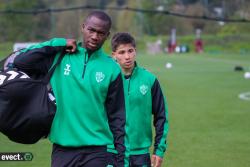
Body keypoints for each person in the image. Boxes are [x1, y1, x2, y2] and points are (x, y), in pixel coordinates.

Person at [13, 11, 126, 167]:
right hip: (62, 149)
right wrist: (57, 43)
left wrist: (120, 158)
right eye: (91, 30)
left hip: (97, 151)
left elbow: (117, 116)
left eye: (100, 33)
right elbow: (21, 62)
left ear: (107, 35)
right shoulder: (60, 56)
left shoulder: (112, 68)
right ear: (83, 27)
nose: (94, 36)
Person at [111, 32, 169, 167]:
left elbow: (161, 116)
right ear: (114, 55)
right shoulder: (107, 80)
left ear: (135, 51)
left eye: (130, 51)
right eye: (122, 52)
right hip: (112, 153)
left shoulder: (149, 80)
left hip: (140, 155)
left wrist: (159, 150)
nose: (127, 56)